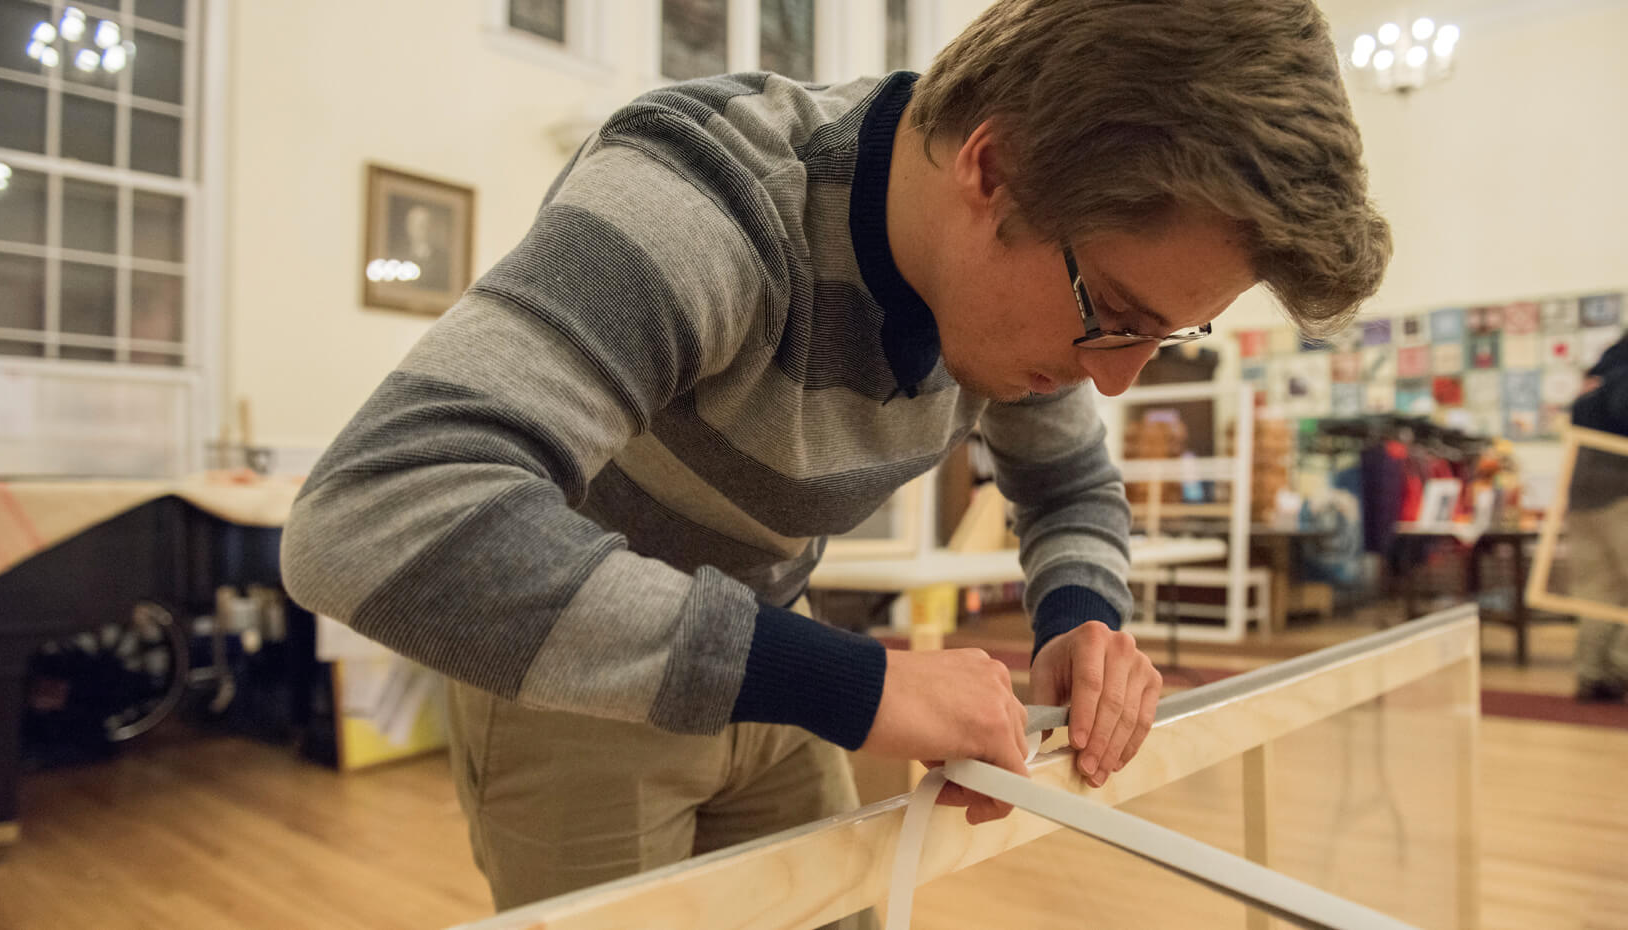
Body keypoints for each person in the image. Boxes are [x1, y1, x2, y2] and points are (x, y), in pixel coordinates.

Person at [280, 0, 1390, 922]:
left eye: (1167, 335)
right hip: (576, 692)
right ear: (992, 168)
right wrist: (852, 684)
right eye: (1118, 316)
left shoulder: (1017, 299)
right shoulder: (707, 198)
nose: (1117, 379)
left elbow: (1068, 481)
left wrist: (1082, 617)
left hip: (770, 655)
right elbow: (373, 516)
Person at [1569, 333, 1628, 702]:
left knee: (1597, 589)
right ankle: (1620, 667)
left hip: (1583, 492)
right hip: (1620, 489)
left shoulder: (1600, 373)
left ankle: (1593, 672)